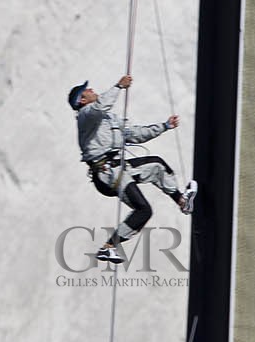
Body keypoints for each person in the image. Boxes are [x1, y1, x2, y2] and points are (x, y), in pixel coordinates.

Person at [69, 74, 196, 264]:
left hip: (119, 168)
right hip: (106, 174)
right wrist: (119, 87)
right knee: (144, 210)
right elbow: (100, 106)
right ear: (82, 100)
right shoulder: (86, 116)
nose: (92, 90)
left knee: (156, 165)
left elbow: (135, 134)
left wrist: (164, 126)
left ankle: (182, 201)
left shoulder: (107, 119)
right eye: (87, 90)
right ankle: (108, 247)